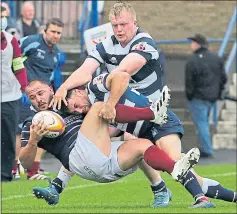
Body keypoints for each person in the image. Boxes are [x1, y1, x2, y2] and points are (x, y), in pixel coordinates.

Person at [49, 2, 215, 208]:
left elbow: (123, 72)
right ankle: (57, 185)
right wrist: (64, 86)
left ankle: (186, 189)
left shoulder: (144, 41)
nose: (118, 29)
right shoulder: (105, 45)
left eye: (123, 24)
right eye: (114, 25)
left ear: (134, 23)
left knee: (173, 162)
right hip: (127, 113)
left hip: (154, 113)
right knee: (86, 138)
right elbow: (86, 69)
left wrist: (108, 102)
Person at [29, 74, 235, 207]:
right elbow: (88, 138)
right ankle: (164, 183)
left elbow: (120, 75)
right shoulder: (82, 114)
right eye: (73, 109)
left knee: (169, 160)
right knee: (168, 160)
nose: (77, 110)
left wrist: (107, 100)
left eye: (75, 105)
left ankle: (219, 197)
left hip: (161, 124)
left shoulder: (96, 88)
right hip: (145, 121)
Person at [14, 17, 65, 180]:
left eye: (59, 33)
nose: (55, 35)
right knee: (20, 130)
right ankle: (15, 168)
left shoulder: (56, 54)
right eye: (53, 32)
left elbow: (50, 77)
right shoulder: (32, 42)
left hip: (43, 98)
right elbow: (13, 55)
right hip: (25, 95)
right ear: (45, 31)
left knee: (45, 129)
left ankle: (33, 170)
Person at [185, 34, 227, 158]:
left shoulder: (193, 60)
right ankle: (203, 148)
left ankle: (207, 150)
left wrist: (190, 95)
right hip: (212, 97)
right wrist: (218, 92)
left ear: (197, 44)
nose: (191, 45)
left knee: (201, 123)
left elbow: (189, 80)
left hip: (198, 97)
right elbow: (223, 77)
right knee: (203, 122)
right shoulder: (216, 58)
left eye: (192, 43)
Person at [1, 5, 28, 182]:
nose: (2, 19)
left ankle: (5, 174)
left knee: (8, 137)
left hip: (9, 96)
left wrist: (24, 86)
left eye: (3, 16)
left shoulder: (11, 40)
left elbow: (18, 66)